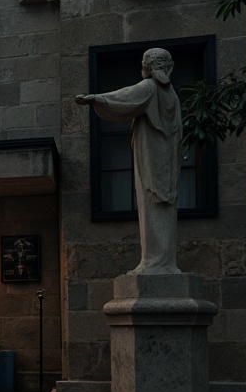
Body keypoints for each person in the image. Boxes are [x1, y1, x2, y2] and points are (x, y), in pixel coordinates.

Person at [75, 47, 183, 274]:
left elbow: (125, 97)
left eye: (144, 63)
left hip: (152, 158)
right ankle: (163, 261)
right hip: (165, 160)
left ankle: (153, 262)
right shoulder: (170, 93)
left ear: (148, 66)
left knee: (150, 206)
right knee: (161, 208)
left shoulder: (150, 87)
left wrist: (97, 98)